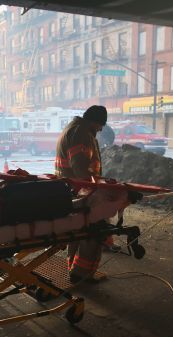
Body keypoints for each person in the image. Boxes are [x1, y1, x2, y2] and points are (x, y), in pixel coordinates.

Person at [54, 105, 107, 283]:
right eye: (100, 126)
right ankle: (82, 275)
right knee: (92, 234)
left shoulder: (72, 128)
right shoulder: (82, 133)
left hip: (71, 191)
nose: (100, 130)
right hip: (83, 193)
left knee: (77, 234)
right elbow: (80, 169)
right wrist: (96, 188)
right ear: (95, 122)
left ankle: (74, 270)